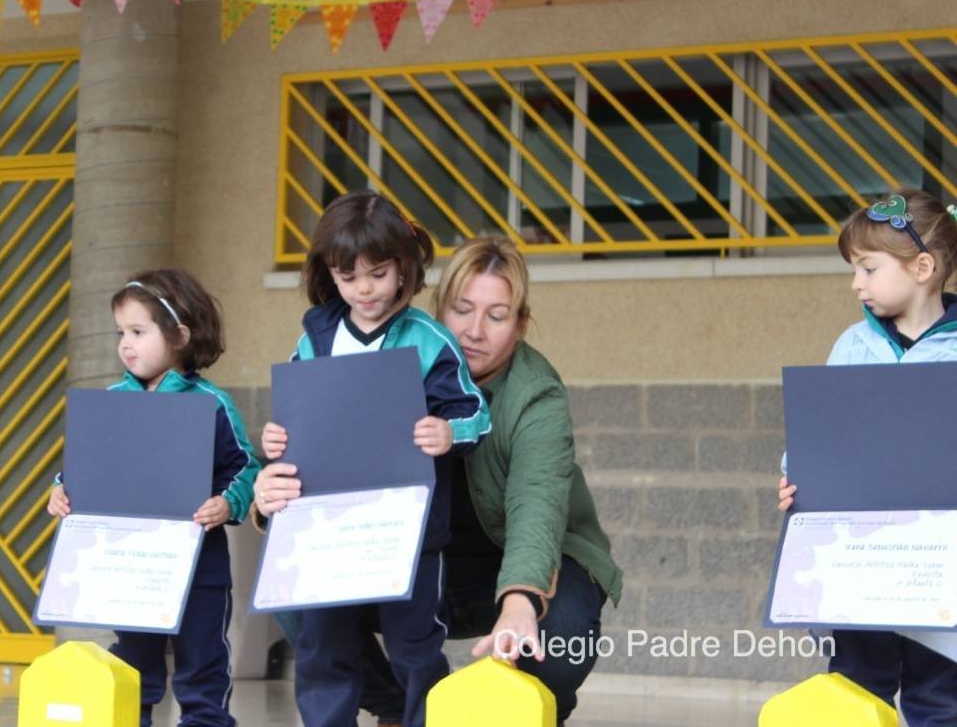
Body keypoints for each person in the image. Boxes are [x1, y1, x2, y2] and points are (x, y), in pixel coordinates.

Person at [257, 235, 622, 727]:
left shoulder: (537, 394)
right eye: (461, 309)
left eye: (496, 316)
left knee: (563, 635)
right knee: (299, 602)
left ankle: (530, 710)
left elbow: (537, 504)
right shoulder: (389, 362)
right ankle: (404, 710)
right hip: (413, 564)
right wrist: (266, 499)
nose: (474, 330)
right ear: (436, 312)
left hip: (514, 563)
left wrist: (520, 600)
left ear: (519, 325)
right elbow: (317, 454)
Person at [259, 190, 491, 727]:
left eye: (378, 273)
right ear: (329, 275)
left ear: (406, 267)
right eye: (347, 276)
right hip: (326, 529)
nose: (364, 289)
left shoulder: (429, 341)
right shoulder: (315, 337)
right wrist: (277, 439)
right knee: (322, 646)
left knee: (415, 648)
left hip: (408, 533)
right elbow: (297, 418)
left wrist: (446, 431)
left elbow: (477, 414)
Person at [47, 269, 260, 727]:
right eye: (121, 332)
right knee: (134, 666)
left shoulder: (213, 403)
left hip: (200, 570)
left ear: (180, 336)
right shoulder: (112, 400)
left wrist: (228, 502)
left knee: (202, 665)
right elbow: (84, 467)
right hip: (131, 568)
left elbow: (244, 467)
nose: (125, 343)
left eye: (138, 332)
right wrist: (61, 491)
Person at [778, 190, 957, 725]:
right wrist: (795, 478)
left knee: (940, 699)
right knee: (858, 689)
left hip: (939, 565)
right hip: (857, 558)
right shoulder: (853, 344)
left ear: (923, 267)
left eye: (868, 268)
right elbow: (821, 433)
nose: (856, 283)